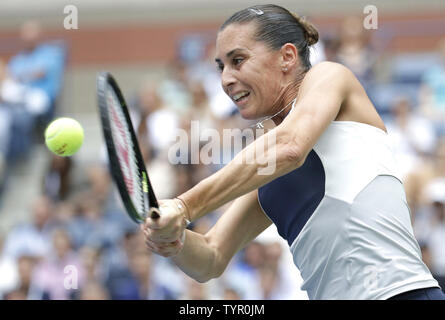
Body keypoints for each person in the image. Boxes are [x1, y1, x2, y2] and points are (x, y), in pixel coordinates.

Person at [141, 4, 443, 300]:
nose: (226, 79)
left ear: (287, 56)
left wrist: (183, 206)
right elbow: (211, 256)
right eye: (221, 66)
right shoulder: (264, 170)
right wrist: (174, 238)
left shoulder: (330, 77)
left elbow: (291, 147)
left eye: (238, 60)